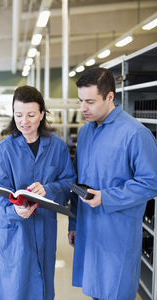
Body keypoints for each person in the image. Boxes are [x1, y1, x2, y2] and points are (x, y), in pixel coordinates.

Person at [68, 67, 157, 300]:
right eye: (80, 101)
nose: (82, 109)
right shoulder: (86, 133)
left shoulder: (135, 134)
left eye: (90, 101)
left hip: (117, 234)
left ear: (109, 97)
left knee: (115, 291)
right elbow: (78, 181)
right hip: (89, 229)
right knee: (96, 292)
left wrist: (106, 197)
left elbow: (151, 182)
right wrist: (73, 223)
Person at [0, 85, 76, 300]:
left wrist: (50, 189)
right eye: (18, 115)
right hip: (14, 231)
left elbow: (69, 183)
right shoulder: (3, 150)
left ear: (42, 114)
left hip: (45, 228)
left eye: (30, 115)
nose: (24, 121)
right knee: (12, 288)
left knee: (42, 286)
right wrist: (15, 210)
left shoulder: (57, 147)